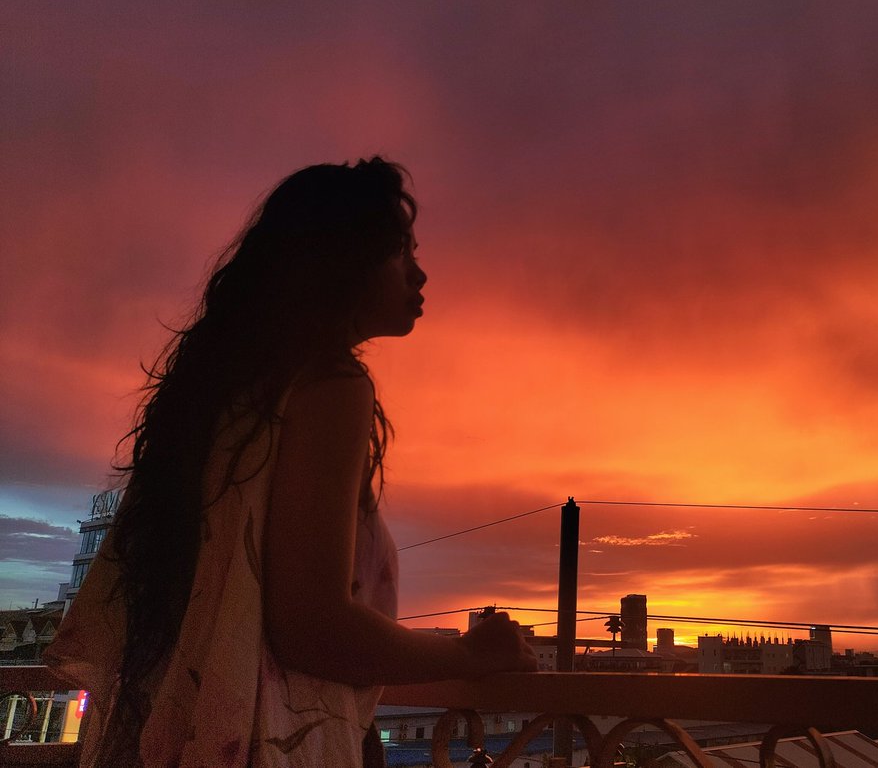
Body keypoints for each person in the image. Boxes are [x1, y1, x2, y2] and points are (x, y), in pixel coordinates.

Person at [45, 158, 537, 767]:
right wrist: (469, 656)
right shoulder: (330, 386)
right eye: (399, 251)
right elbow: (313, 625)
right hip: (268, 739)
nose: (420, 271)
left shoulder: (225, 392)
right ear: (342, 263)